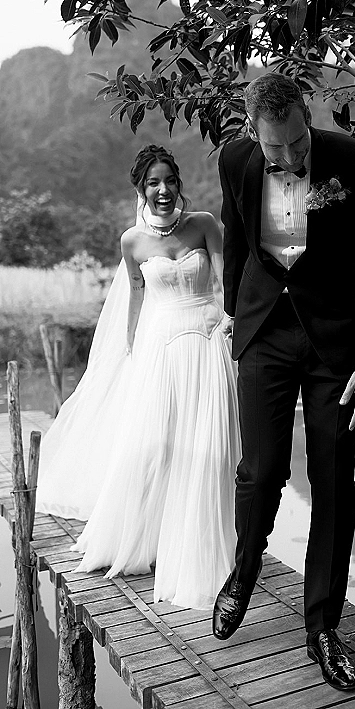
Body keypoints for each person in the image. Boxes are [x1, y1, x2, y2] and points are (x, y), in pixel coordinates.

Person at [213, 74, 355, 690]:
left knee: (334, 484)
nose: (287, 158)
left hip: (334, 344)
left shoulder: (350, 160)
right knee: (260, 470)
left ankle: (322, 626)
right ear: (252, 132)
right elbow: (237, 244)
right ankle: (244, 569)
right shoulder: (234, 159)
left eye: (295, 144)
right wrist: (234, 317)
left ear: (305, 119)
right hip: (264, 331)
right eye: (274, 150)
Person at [36, 145, 240, 610]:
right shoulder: (132, 242)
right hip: (159, 347)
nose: (163, 190)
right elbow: (135, 293)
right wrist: (129, 345)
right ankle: (147, 538)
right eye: (153, 183)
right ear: (140, 190)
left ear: (179, 183)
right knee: (156, 444)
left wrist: (230, 321)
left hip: (208, 341)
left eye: (169, 180)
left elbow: (228, 281)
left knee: (209, 447)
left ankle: (202, 545)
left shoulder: (205, 224)